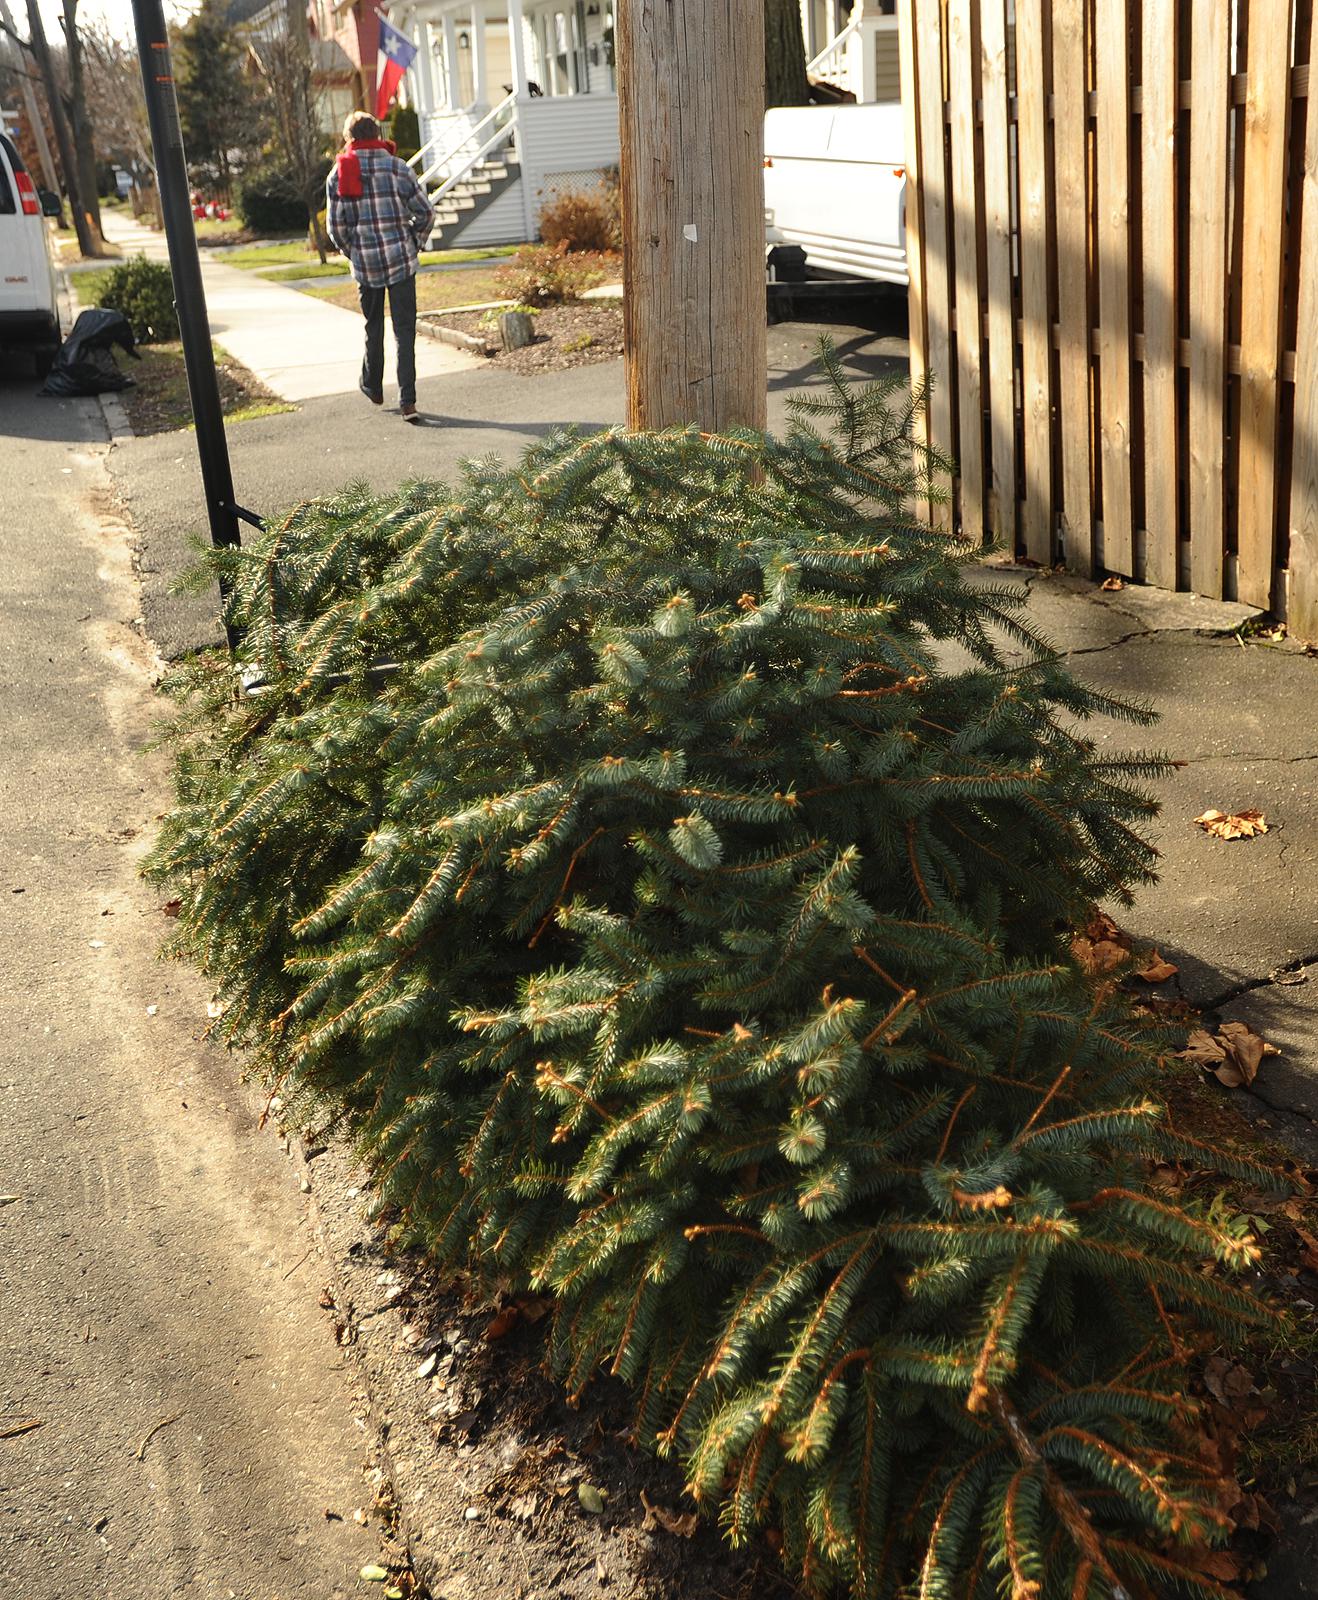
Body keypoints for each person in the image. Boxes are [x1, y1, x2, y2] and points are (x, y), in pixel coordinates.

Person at [326, 110, 435, 423]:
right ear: (377, 134)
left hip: (366, 266)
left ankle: (373, 386)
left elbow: (336, 228)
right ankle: (408, 401)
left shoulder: (340, 173)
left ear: (350, 138)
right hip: (401, 258)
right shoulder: (397, 168)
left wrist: (355, 252)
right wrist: (414, 243)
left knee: (373, 326)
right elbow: (425, 213)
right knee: (404, 332)